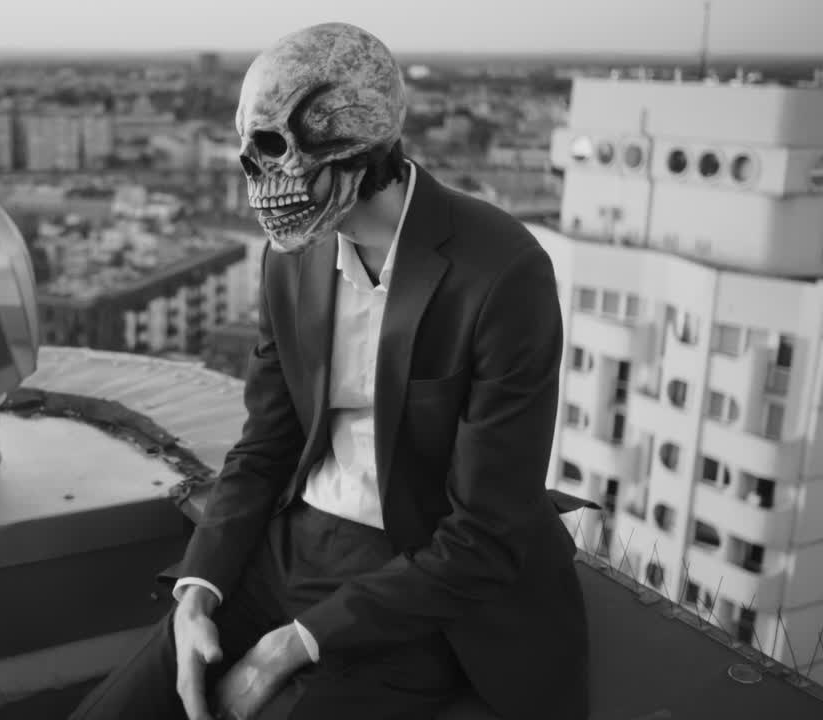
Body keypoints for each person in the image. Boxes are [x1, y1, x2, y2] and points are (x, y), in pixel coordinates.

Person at [71, 22, 589, 720]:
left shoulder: (502, 272)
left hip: (422, 584)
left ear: (358, 143)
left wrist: (291, 647)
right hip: (293, 542)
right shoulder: (291, 260)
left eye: (277, 149)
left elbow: (483, 535)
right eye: (249, 153)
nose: (260, 180)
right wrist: (199, 593)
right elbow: (264, 447)